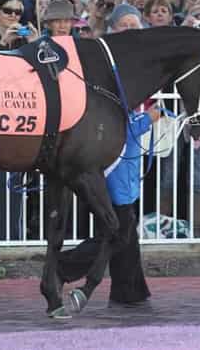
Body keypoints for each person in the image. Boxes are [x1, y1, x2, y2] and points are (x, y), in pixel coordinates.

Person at [57, 106, 161, 307]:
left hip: (123, 183)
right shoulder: (116, 108)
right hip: (117, 184)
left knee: (128, 240)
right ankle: (62, 267)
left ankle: (130, 291)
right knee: (117, 238)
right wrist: (148, 119)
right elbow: (126, 133)